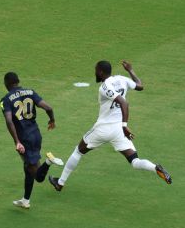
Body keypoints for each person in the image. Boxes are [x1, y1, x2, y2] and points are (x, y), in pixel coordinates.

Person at [49, 60, 172, 192]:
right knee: (134, 161)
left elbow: (124, 103)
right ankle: (155, 168)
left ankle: (60, 183)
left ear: (101, 72)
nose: (95, 72)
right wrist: (130, 71)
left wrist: (125, 126)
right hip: (119, 131)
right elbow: (140, 86)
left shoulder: (104, 87)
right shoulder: (122, 79)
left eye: (96, 70)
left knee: (78, 151)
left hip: (104, 128)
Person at [0, 72, 64, 209]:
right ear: (18, 81)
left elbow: (9, 121)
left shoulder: (5, 99)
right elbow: (48, 107)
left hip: (24, 139)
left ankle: (48, 162)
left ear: (7, 84)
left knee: (38, 176)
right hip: (36, 135)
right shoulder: (30, 91)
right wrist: (52, 120)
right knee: (27, 167)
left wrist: (17, 141)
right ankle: (25, 200)